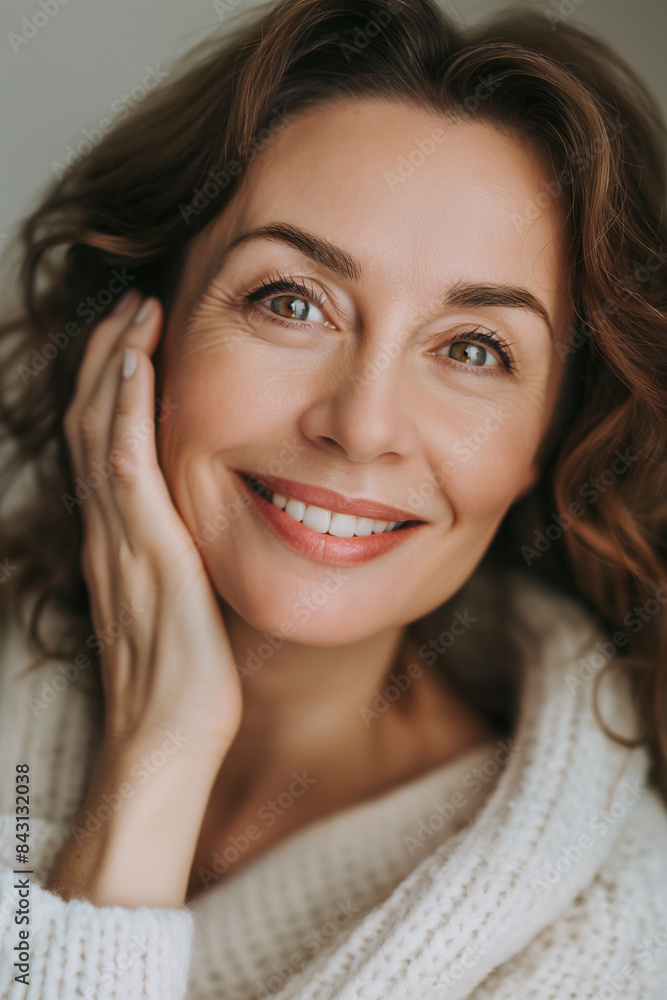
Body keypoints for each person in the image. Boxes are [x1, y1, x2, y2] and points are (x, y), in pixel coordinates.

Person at [1, 0, 666, 996]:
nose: (361, 424)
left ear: (547, 442)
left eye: (473, 350)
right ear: (142, 326)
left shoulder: (607, 931)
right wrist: (157, 757)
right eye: (292, 300)